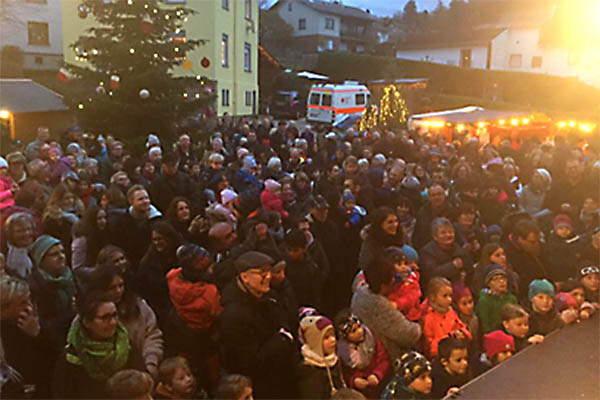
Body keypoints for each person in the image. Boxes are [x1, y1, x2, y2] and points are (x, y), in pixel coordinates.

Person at [219, 251, 297, 399]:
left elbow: (284, 320)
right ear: (245, 277)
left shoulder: (269, 296)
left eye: (269, 271)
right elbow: (248, 362)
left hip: (282, 377)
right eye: (262, 273)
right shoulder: (233, 315)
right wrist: (281, 340)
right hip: (262, 387)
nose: (268, 277)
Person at [52, 292, 135, 399]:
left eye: (115, 315)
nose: (113, 322)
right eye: (105, 317)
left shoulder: (127, 346)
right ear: (87, 322)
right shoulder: (71, 359)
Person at [88, 264, 164, 379]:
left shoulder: (139, 306)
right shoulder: (89, 315)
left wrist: (150, 364)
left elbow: (152, 334)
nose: (118, 291)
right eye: (112, 288)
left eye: (121, 285)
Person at [165, 244, 221, 390]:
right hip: (206, 337)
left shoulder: (172, 278)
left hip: (182, 331)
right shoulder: (209, 292)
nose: (211, 270)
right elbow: (217, 313)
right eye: (206, 268)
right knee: (211, 375)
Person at [351, 253, 421, 363]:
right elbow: (410, 334)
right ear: (384, 284)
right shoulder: (378, 304)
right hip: (383, 359)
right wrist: (420, 324)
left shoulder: (360, 292)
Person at [0, 275, 56, 398]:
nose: (29, 306)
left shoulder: (35, 326)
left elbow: (54, 364)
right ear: (4, 308)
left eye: (29, 299)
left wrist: (38, 335)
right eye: (22, 303)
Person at [28, 235, 77, 348]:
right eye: (54, 254)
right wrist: (72, 313)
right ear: (41, 260)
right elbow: (42, 323)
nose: (61, 257)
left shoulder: (71, 277)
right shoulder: (35, 287)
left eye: (62, 252)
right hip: (52, 343)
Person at [334, 309, 389, 398]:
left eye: (359, 326)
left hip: (381, 387)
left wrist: (377, 374)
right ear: (345, 336)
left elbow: (383, 359)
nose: (360, 331)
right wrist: (354, 381)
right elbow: (345, 374)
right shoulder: (343, 353)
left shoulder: (372, 340)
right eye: (353, 331)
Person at [136, 221, 183, 327]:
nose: (157, 243)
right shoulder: (148, 263)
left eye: (160, 239)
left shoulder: (182, 255)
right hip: (161, 310)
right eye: (154, 240)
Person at [296, 314, 346, 399]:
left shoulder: (335, 361)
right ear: (315, 341)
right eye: (326, 337)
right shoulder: (309, 373)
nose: (333, 340)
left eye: (333, 335)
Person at [110, 185, 161, 266]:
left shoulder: (158, 221)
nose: (145, 201)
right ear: (131, 202)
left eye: (147, 198)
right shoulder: (121, 223)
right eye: (140, 199)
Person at [420, 277, 471, 359]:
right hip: (440, 357)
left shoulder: (451, 312)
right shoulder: (428, 318)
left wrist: (461, 333)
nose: (449, 299)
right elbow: (429, 348)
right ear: (433, 297)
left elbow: (462, 327)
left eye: (450, 296)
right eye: (445, 296)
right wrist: (448, 338)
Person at [419, 217, 473, 290]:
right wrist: (453, 266)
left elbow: (470, 269)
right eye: (443, 233)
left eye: (450, 232)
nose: (448, 235)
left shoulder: (460, 250)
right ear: (435, 236)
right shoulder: (427, 252)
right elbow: (430, 275)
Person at [475, 266, 518, 333]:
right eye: (496, 279)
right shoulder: (484, 301)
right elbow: (485, 327)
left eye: (503, 278)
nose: (501, 281)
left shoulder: (512, 299)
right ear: (489, 283)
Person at [385, 247, 422, 322]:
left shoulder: (411, 281)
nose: (403, 267)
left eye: (405, 263)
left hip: (411, 317)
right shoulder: (389, 281)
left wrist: (397, 304)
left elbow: (412, 297)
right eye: (399, 264)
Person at [3, 212, 36, 279]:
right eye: (20, 231)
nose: (27, 233)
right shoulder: (8, 257)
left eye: (29, 229)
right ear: (10, 233)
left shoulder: (35, 249)